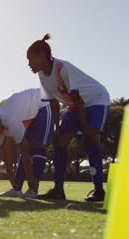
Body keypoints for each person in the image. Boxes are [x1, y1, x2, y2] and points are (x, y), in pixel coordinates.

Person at [27, 34, 110, 202]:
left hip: (95, 99)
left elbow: (77, 98)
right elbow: (54, 104)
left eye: (31, 59)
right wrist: (56, 128)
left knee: (90, 139)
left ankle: (99, 190)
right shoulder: (42, 74)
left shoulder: (61, 68)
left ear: (42, 55)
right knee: (59, 142)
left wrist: (86, 127)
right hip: (74, 105)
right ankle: (58, 190)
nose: (29, 64)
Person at [0, 88, 54, 198]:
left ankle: (33, 189)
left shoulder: (9, 119)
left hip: (42, 104)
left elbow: (24, 150)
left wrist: (30, 179)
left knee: (37, 147)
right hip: (27, 113)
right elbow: (6, 152)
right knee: (24, 150)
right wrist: (10, 176)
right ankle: (16, 189)